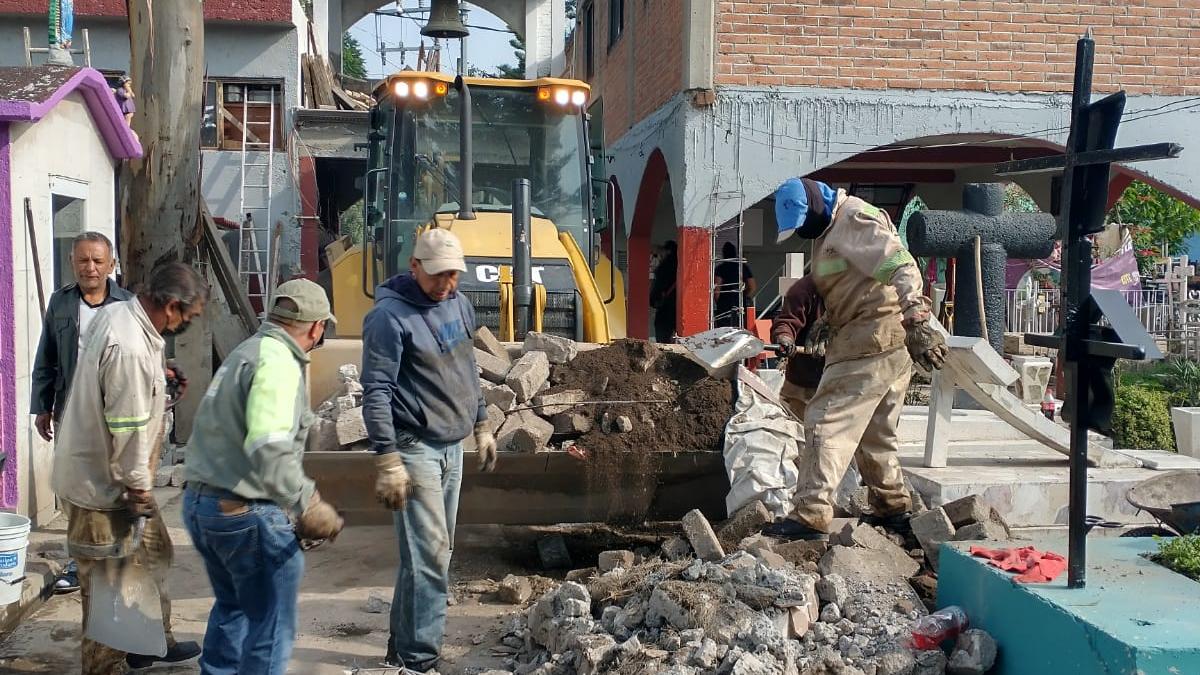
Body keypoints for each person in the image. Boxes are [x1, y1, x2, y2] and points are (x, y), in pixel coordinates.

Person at [765, 178, 947, 541]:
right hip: (872, 338)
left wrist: (916, 317)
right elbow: (850, 282)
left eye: (803, 222)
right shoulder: (831, 230)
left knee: (824, 419)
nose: (803, 230)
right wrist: (826, 321)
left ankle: (810, 513)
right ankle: (893, 506)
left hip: (872, 336)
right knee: (876, 433)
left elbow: (901, 265)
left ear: (815, 204)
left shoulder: (855, 220)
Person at [51, 261, 207, 674]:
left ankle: (149, 644)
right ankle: (108, 664)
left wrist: (162, 373)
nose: (187, 324)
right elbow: (130, 433)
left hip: (116, 478)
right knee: (111, 588)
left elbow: (122, 387)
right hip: (104, 488)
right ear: (171, 307)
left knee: (155, 554)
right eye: (188, 317)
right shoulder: (132, 349)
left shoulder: (122, 314)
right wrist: (139, 491)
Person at [183, 278, 344, 675]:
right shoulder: (277, 364)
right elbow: (268, 449)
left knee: (234, 608)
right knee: (271, 627)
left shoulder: (246, 351)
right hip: (244, 512)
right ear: (316, 327)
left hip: (202, 504)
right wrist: (307, 501)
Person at [361, 228, 497, 673]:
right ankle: (422, 659)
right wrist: (386, 458)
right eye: (438, 275)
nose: (446, 284)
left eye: (453, 275)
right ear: (415, 266)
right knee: (431, 555)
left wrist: (481, 423)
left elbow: (466, 366)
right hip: (413, 447)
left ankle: (401, 651)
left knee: (428, 554)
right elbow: (377, 391)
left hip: (451, 445)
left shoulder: (457, 303)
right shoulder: (389, 318)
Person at [30, 232, 133, 594]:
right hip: (71, 411)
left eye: (98, 261)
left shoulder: (128, 305)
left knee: (117, 484)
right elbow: (46, 358)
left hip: (116, 414)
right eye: (83, 261)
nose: (90, 267)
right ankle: (79, 562)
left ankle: (117, 554)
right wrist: (41, 406)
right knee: (77, 491)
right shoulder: (61, 303)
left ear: (111, 265)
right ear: (73, 263)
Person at [714, 241, 757, 328]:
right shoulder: (743, 267)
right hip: (740, 302)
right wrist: (744, 295)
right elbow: (752, 286)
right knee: (739, 328)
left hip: (724, 303)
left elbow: (716, 289)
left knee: (723, 330)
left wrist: (719, 302)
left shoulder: (720, 268)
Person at [649, 240, 678, 343]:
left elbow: (658, 288)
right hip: (680, 307)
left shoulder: (665, 267)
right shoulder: (682, 264)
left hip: (666, 307)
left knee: (663, 335)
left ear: (668, 251)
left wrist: (653, 300)